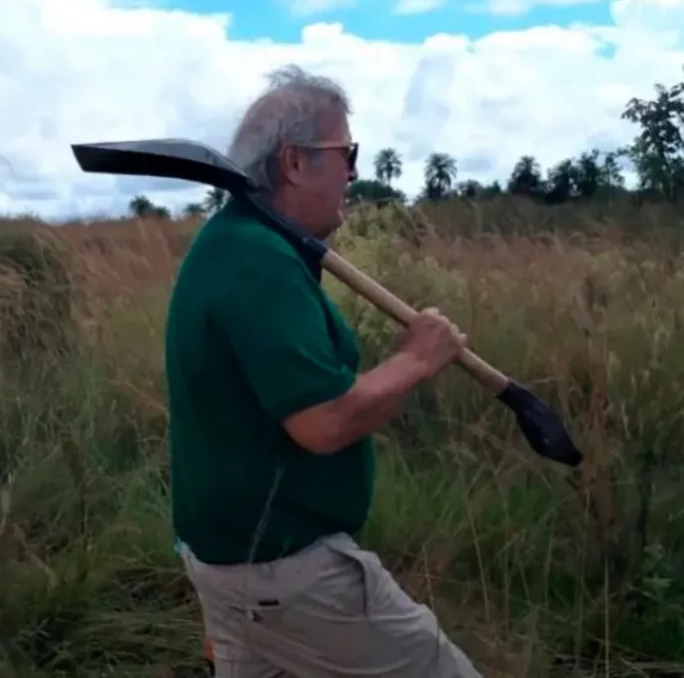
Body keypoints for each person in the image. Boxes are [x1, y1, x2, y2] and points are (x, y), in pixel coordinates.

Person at [164, 64, 483, 677]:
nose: (355, 172)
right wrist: (416, 360)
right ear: (294, 162)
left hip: (231, 565)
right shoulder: (257, 261)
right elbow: (324, 424)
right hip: (287, 575)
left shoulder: (237, 242)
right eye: (347, 152)